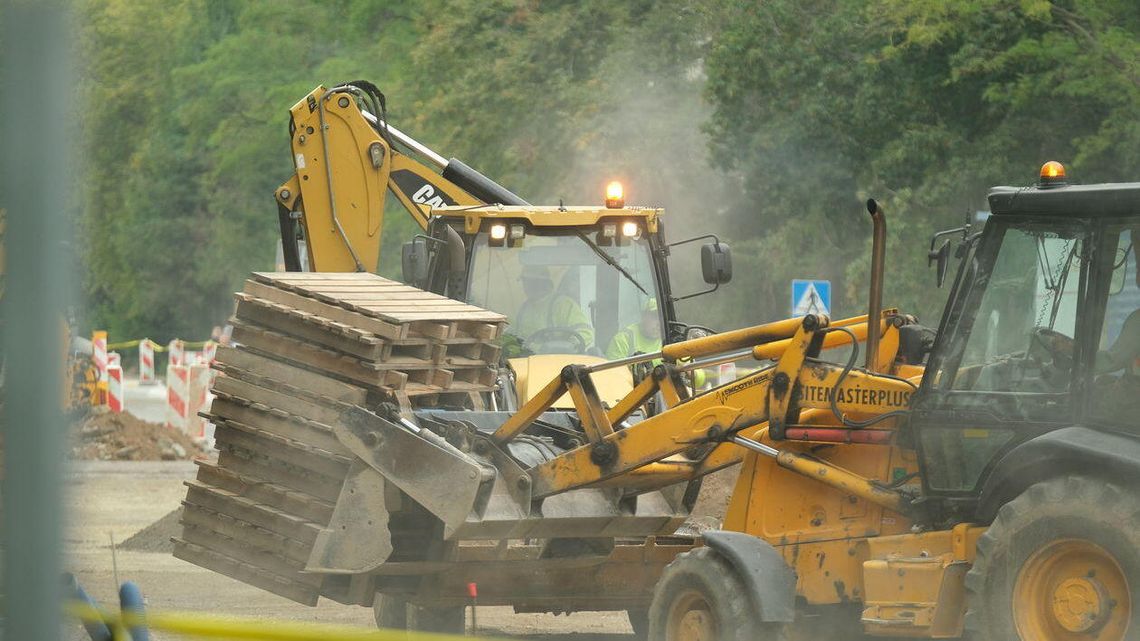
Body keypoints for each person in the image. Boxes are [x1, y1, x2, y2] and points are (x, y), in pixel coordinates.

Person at [513, 266, 594, 352]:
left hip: (558, 362)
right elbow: (516, 337)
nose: (526, 287)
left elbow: (585, 332)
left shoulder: (563, 304)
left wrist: (566, 347)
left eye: (530, 282)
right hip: (526, 361)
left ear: (542, 283)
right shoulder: (525, 308)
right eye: (525, 282)